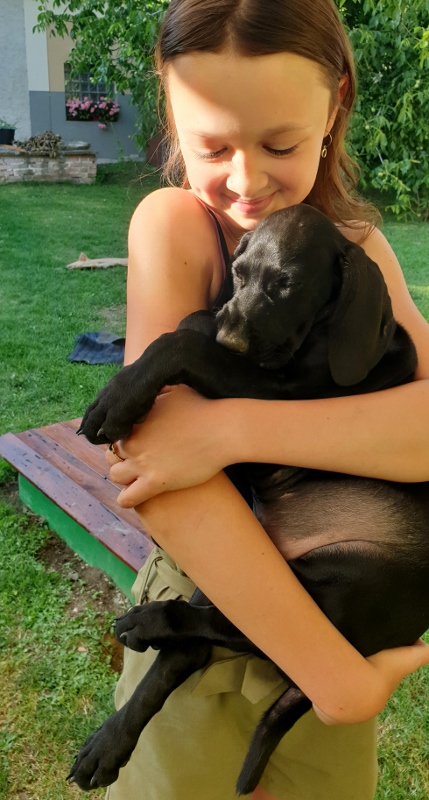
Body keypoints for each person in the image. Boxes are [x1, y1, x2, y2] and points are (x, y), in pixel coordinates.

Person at [104, 1, 429, 798]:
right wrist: (335, 680)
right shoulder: (176, 225)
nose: (245, 180)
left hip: (340, 611)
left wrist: (230, 429)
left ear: (335, 104)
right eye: (212, 147)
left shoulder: (356, 248)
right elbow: (161, 477)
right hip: (213, 616)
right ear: (169, 109)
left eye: (278, 144)